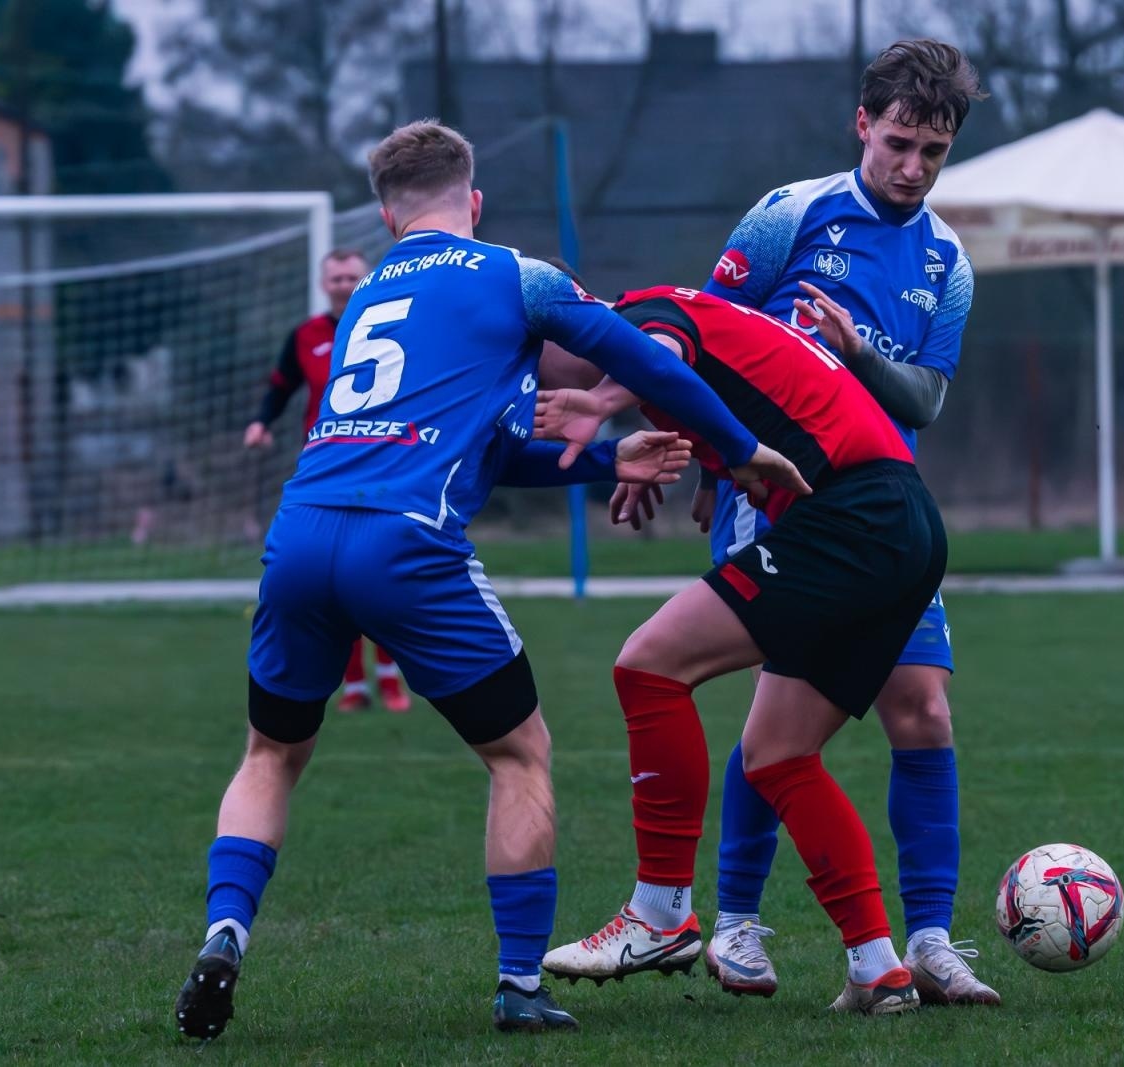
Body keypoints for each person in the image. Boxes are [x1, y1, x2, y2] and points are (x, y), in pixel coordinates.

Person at [173, 120, 808, 1040]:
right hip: (407, 543)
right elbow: (635, 353)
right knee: (519, 752)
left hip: (302, 534)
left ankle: (225, 932)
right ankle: (518, 982)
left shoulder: (360, 302)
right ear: (474, 202)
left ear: (390, 218)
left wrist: (606, 459)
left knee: (269, 755)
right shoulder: (516, 274)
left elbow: (495, 447)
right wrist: (745, 450)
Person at [612, 37, 996, 1006]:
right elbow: (698, 336)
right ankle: (736, 920)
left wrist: (857, 353)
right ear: (863, 123)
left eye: (931, 152)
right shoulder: (792, 211)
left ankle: (933, 938)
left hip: (882, 510)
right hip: (774, 498)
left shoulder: (948, 260)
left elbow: (926, 401)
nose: (910, 167)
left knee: (924, 708)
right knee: (775, 719)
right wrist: (707, 462)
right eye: (898, 142)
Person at [538, 283, 946, 1014]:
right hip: (905, 520)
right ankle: (878, 964)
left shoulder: (641, 316)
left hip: (853, 516)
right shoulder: (690, 315)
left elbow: (658, 358)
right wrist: (709, 466)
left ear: (562, 324)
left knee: (650, 663)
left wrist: (600, 404)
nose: (530, 380)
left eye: (527, 356)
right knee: (779, 753)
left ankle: (659, 913)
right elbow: (745, 390)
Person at [243, 248, 410, 714]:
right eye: (335, 277)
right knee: (335, 584)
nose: (342, 284)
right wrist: (261, 423)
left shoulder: (391, 325)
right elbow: (281, 387)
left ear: (366, 280)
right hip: (324, 473)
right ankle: (353, 686)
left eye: (350, 276)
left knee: (380, 575)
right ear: (323, 284)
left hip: (382, 467)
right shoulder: (306, 336)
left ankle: (391, 680)